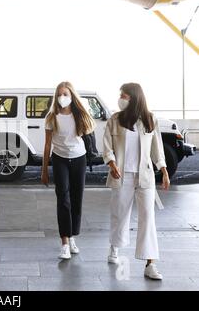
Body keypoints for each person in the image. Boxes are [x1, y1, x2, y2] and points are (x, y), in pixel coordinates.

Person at [103, 83, 170, 280]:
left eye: (123, 95)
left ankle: (150, 263)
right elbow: (107, 145)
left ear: (133, 97)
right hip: (121, 175)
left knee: (148, 217)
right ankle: (114, 247)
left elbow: (157, 148)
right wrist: (111, 162)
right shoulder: (115, 119)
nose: (120, 98)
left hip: (145, 176)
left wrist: (164, 171)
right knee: (120, 214)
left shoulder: (150, 119)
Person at [41, 81, 95, 260]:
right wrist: (44, 170)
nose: (62, 97)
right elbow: (47, 143)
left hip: (79, 158)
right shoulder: (51, 117)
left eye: (66, 94)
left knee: (76, 198)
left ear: (72, 96)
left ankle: (72, 237)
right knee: (63, 199)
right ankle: (64, 242)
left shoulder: (80, 114)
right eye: (60, 94)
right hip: (59, 159)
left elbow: (89, 130)